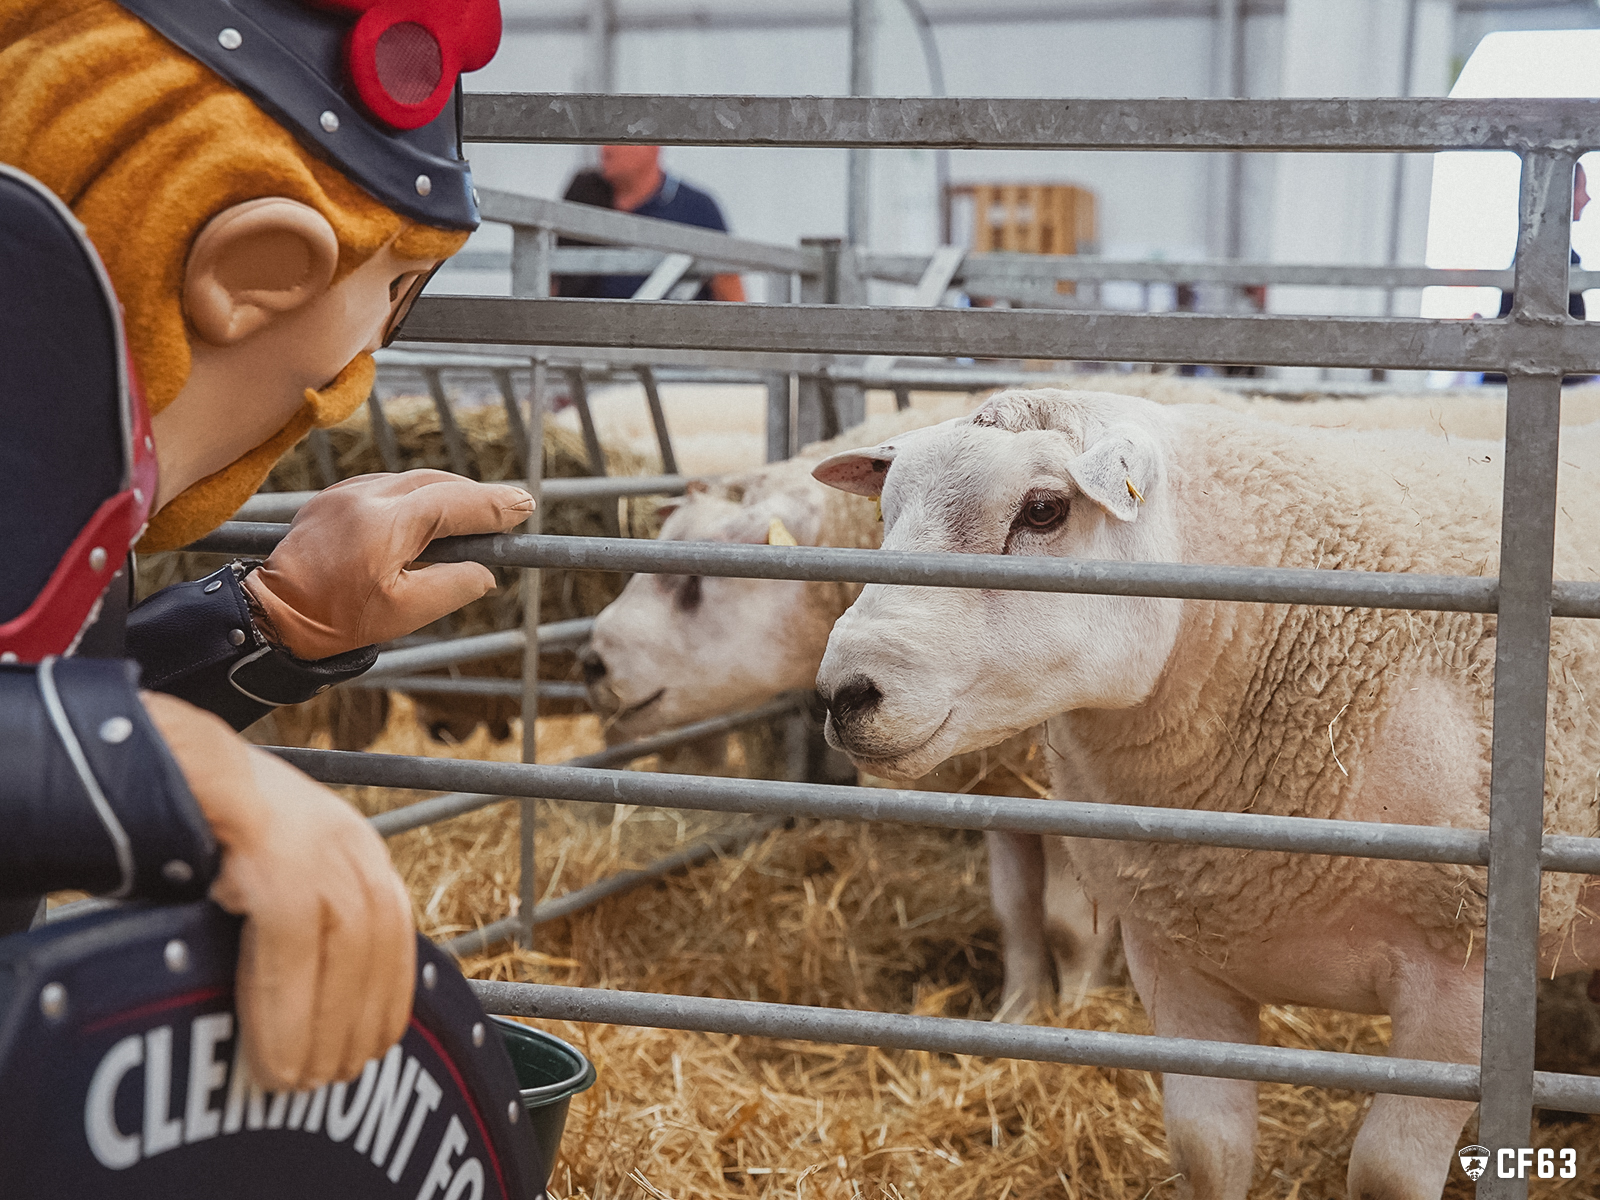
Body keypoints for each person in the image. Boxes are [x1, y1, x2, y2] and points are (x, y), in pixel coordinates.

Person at [0, 0, 524, 1093]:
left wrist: (274, 620)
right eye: (391, 293)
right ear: (256, 268)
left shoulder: (63, 489)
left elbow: (35, 703)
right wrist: (191, 775)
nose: (350, 387)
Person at [559, 144, 746, 301]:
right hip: (589, 338)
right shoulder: (583, 196)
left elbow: (732, 296)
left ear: (653, 145)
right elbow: (553, 278)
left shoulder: (696, 207)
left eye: (618, 138)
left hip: (674, 340)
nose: (606, 148)